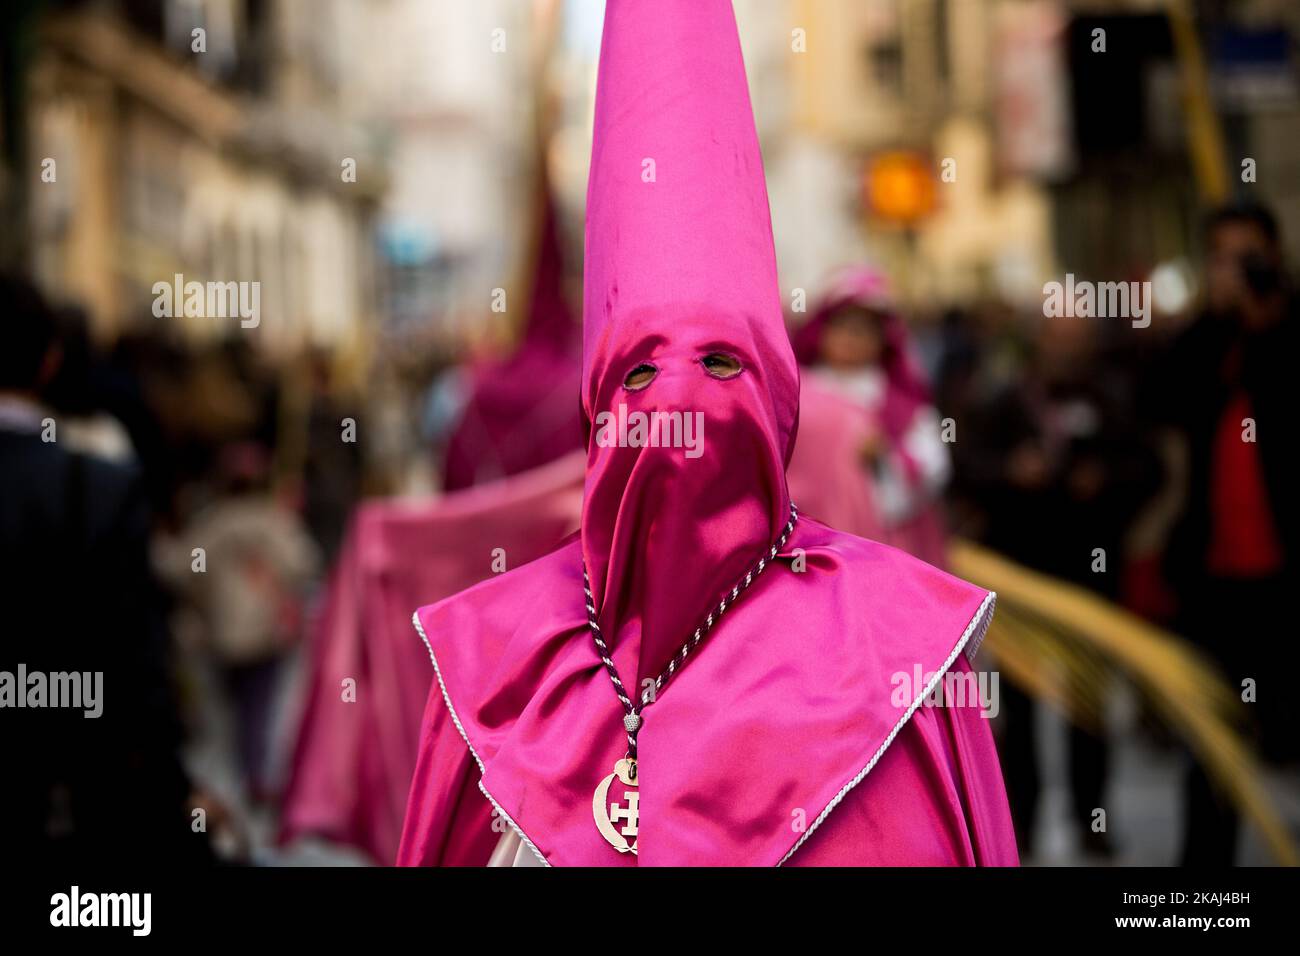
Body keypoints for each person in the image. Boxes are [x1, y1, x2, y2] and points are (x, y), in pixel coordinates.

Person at [396, 0, 1016, 867]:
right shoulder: (495, 665)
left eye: (723, 366)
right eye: (642, 374)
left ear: (775, 400)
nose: (682, 401)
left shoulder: (903, 650)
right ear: (599, 415)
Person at [0, 273, 207, 865]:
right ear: (49, 360)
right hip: (75, 800)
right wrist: (173, 799)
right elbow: (135, 673)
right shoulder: (95, 486)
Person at [1154, 201, 1299, 865]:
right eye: (1221, 258)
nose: (1236, 273)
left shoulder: (1289, 331)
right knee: (1211, 751)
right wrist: (1220, 319)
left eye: (1250, 258)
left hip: (1286, 578)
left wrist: (1268, 326)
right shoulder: (1198, 346)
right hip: (1214, 583)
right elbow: (1165, 404)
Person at [789, 268, 951, 566]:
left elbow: (933, 466)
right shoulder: (794, 390)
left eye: (864, 329)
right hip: (806, 536)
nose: (851, 337)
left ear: (884, 339)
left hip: (880, 540)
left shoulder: (901, 403)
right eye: (842, 326)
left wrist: (887, 458)